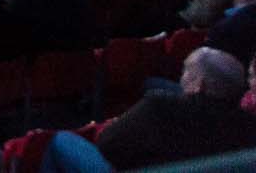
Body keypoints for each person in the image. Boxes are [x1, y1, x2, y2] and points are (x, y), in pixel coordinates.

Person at [94, 46, 256, 169]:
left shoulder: (159, 107)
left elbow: (106, 144)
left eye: (186, 71)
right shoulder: (249, 124)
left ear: (199, 85)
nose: (181, 76)